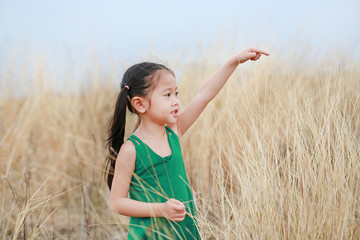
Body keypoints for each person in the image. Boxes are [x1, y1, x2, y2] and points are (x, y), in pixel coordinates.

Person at [104, 47, 269, 239]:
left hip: (185, 232)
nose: (176, 102)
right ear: (140, 104)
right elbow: (117, 202)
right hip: (150, 235)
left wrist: (234, 61)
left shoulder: (174, 131)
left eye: (176, 94)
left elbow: (204, 95)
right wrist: (161, 209)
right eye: (167, 95)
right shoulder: (131, 150)